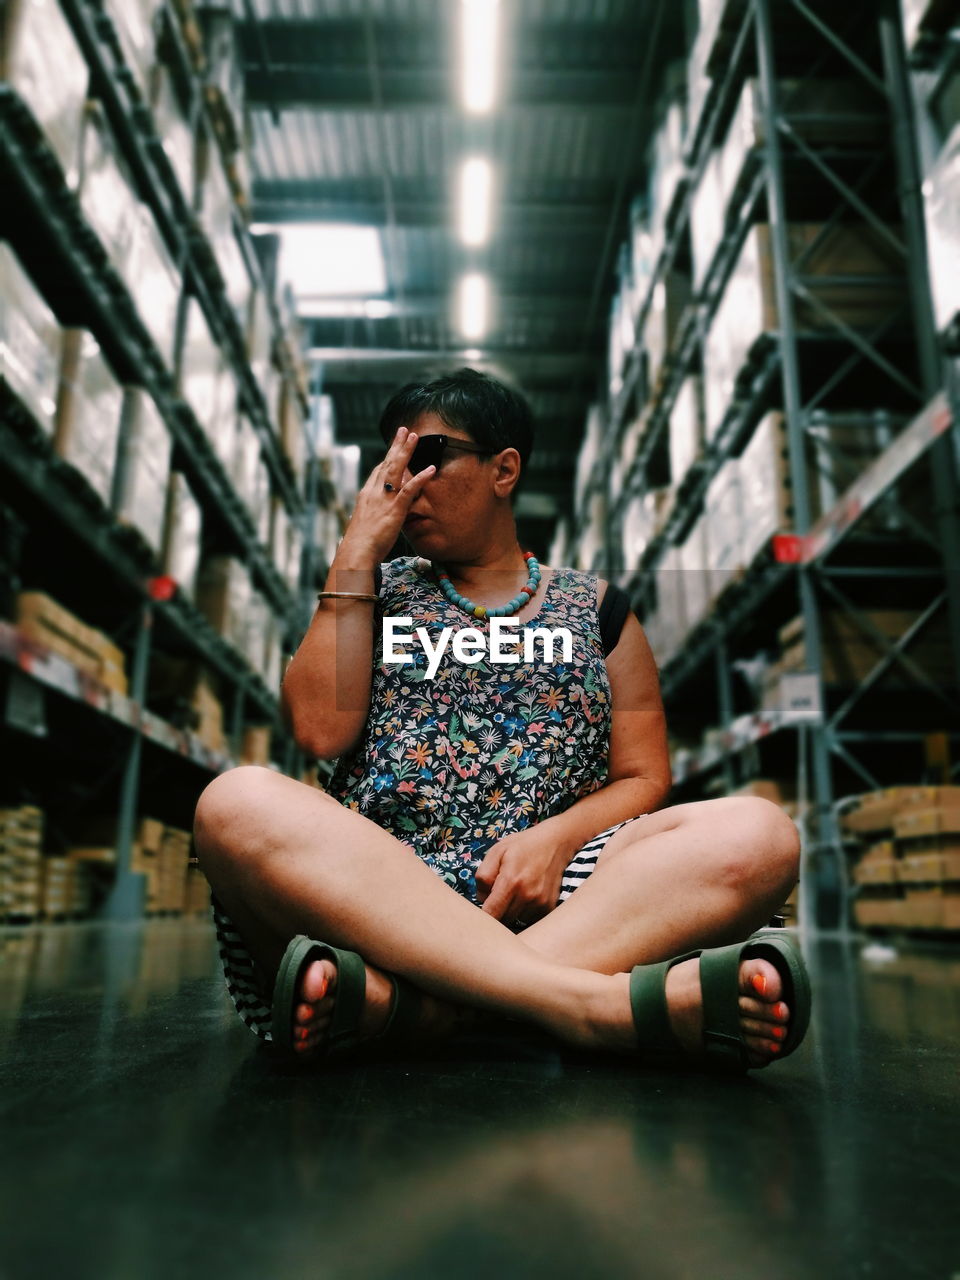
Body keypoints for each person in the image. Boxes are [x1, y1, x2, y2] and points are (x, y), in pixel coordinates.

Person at [194, 368, 810, 1073]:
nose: (402, 481)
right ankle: (591, 1005)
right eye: (388, 462)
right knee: (233, 804)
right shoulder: (370, 592)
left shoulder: (598, 610)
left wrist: (553, 841)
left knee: (758, 835)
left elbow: (644, 777)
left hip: (565, 897)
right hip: (380, 894)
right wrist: (357, 551)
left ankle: (417, 1013)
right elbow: (319, 733)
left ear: (504, 469)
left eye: (425, 456)